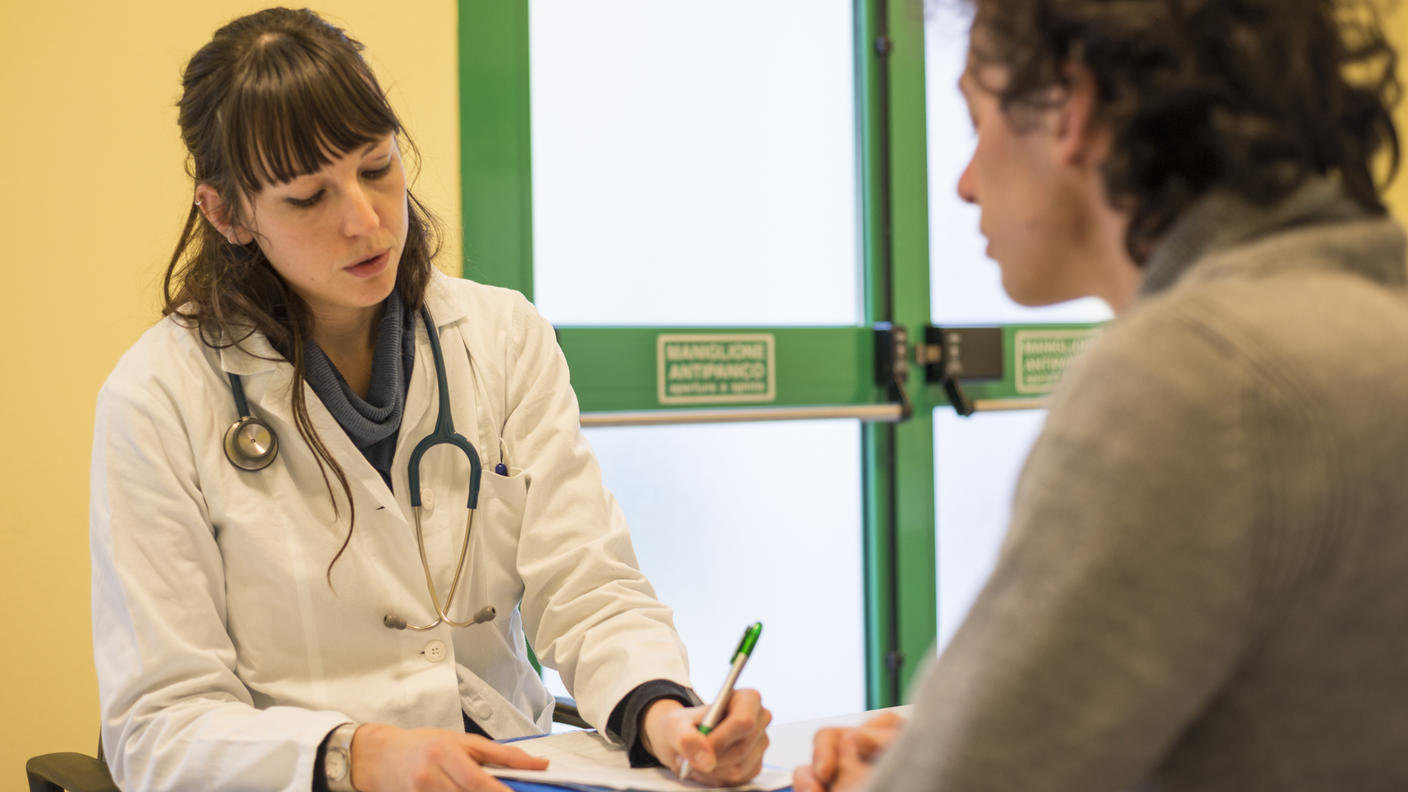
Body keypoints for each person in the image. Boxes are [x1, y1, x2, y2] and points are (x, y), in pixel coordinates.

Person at [89, 8, 770, 792]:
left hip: (516, 771)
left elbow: (588, 586)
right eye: (310, 198)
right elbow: (158, 727)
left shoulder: (502, 335)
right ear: (228, 214)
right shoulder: (157, 399)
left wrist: (667, 715)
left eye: (376, 166)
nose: (366, 219)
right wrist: (354, 755)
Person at [796, 0, 1407, 790]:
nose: (964, 183)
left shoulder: (1194, 375)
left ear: (1070, 108)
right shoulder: (1367, 322)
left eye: (975, 120)